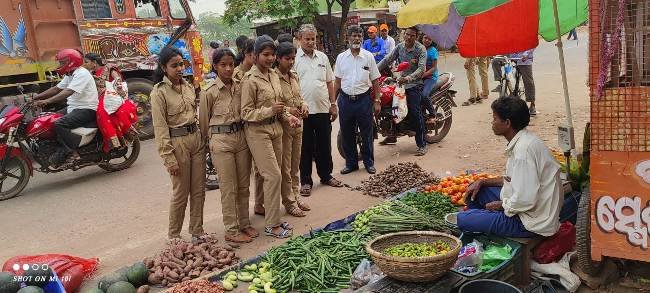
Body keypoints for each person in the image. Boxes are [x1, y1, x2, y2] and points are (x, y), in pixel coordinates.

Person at [456, 96, 562, 238]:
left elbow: (525, 199)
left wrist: (502, 205)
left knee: (463, 219)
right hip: (528, 207)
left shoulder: (523, 152)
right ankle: (486, 221)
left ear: (507, 123)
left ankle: (489, 227)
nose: (492, 123)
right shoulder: (524, 140)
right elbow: (513, 179)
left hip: (531, 223)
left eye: (495, 119)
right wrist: (482, 181)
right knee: (473, 194)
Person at [240, 35, 301, 239]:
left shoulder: (274, 75)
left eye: (272, 55)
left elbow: (280, 106)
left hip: (277, 129)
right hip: (258, 132)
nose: (270, 58)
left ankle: (272, 216)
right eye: (265, 54)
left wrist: (288, 116)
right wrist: (268, 111)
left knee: (278, 174)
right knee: (273, 175)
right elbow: (246, 113)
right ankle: (272, 225)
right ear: (255, 55)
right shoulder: (249, 80)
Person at [199, 48, 256, 243]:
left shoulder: (241, 86)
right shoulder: (209, 92)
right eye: (223, 65)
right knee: (228, 187)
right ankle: (231, 230)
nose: (228, 69)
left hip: (241, 137)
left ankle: (245, 223)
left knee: (244, 184)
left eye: (231, 64)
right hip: (221, 140)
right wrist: (209, 145)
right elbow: (204, 122)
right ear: (215, 66)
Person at [150, 47, 206, 241]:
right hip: (177, 143)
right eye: (174, 66)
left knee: (198, 190)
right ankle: (174, 235)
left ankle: (197, 231)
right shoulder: (159, 93)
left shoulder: (189, 86)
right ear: (164, 68)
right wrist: (168, 158)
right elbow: (160, 127)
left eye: (181, 64)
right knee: (181, 192)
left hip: (195, 140)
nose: (180, 68)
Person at [294, 23, 344, 196]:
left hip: (323, 108)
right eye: (307, 39)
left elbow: (329, 82)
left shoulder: (322, 57)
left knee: (324, 145)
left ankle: (326, 175)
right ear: (299, 39)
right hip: (303, 112)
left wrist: (333, 104)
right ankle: (306, 181)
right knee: (305, 147)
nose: (310, 42)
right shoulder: (294, 59)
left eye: (313, 38)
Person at [33, 49, 99, 167]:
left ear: (71, 62)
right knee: (49, 119)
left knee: (59, 124)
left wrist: (47, 101)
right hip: (74, 107)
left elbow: (68, 91)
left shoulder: (81, 73)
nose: (60, 65)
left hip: (87, 109)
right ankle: (58, 148)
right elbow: (56, 89)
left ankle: (72, 153)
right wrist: (35, 98)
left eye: (62, 62)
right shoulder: (70, 74)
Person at [334, 25, 381, 175]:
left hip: (363, 100)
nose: (357, 38)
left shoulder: (368, 57)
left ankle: (368, 163)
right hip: (345, 100)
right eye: (353, 36)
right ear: (348, 38)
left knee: (367, 133)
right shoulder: (341, 58)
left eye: (359, 36)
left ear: (362, 38)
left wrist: (377, 100)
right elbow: (337, 82)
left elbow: (375, 81)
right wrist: (332, 103)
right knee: (347, 134)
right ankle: (351, 163)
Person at [377, 26, 428, 156]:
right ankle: (392, 135)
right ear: (404, 34)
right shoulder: (400, 47)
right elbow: (387, 59)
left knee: (415, 112)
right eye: (407, 34)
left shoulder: (420, 49)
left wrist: (409, 78)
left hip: (414, 84)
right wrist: (373, 71)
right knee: (390, 107)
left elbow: (421, 69)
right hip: (400, 83)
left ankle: (422, 144)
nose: (409, 37)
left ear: (416, 37)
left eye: (412, 35)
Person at [275, 42, 311, 217]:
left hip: (299, 124)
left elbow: (300, 97)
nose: (291, 62)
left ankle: (296, 195)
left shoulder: (294, 75)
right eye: (287, 58)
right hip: (284, 125)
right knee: (286, 166)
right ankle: (288, 201)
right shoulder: (274, 78)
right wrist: (290, 111)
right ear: (278, 59)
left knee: (296, 163)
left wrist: (304, 105)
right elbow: (274, 105)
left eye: (293, 58)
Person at [83, 53, 136, 152]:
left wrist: (121, 94)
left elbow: (117, 81)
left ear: (94, 62)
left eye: (86, 62)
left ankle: (119, 140)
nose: (85, 64)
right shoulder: (90, 74)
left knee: (102, 113)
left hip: (112, 97)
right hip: (100, 99)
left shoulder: (109, 68)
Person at [510, 49, 536, 115]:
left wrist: (525, 54)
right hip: (511, 57)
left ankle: (532, 104)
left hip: (524, 60)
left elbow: (532, 45)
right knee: (495, 62)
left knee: (528, 82)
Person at [421, 34, 439, 117]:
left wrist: (424, 74)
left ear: (432, 41)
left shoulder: (433, 50)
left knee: (424, 95)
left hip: (431, 77)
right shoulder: (419, 48)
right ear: (422, 38)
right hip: (420, 77)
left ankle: (432, 114)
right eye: (425, 38)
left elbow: (434, 67)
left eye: (429, 39)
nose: (427, 40)